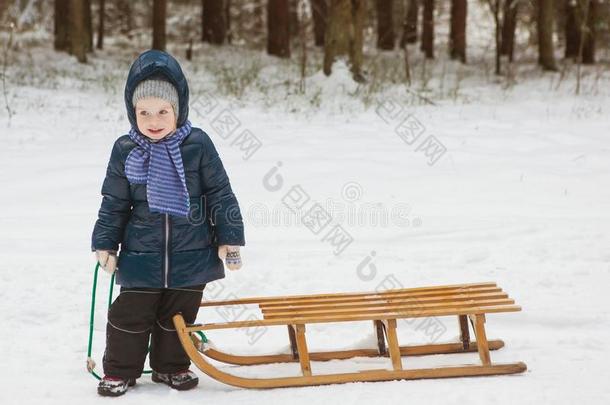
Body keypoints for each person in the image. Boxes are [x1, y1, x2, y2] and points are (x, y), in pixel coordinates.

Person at [91, 49, 245, 397]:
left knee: (178, 317)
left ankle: (172, 367)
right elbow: (114, 202)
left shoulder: (198, 144)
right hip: (141, 254)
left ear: (179, 110)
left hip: (192, 253)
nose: (154, 120)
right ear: (133, 112)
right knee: (129, 316)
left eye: (163, 111)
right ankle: (120, 371)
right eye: (144, 112)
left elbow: (221, 193)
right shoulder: (126, 148)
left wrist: (229, 237)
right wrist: (105, 243)